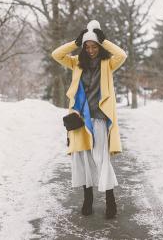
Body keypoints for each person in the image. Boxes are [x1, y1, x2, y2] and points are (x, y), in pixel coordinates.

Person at [51, 20, 127, 219]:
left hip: (99, 118)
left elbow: (122, 55)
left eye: (95, 46)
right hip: (79, 119)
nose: (91, 50)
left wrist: (104, 40)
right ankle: (88, 199)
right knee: (84, 160)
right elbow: (56, 54)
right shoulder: (76, 62)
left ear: (99, 46)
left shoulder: (107, 63)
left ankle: (111, 201)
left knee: (101, 159)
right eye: (88, 46)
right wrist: (75, 43)